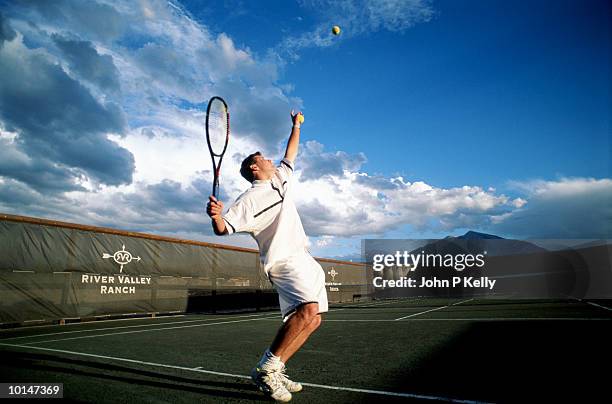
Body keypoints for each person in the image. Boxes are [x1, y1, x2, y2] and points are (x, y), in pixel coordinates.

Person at [206, 110, 328, 402]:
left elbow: (291, 154)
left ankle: (277, 367)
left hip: (304, 258)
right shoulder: (247, 200)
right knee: (307, 311)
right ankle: (266, 369)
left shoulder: (281, 179)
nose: (272, 159)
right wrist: (216, 216)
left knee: (314, 320)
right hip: (283, 262)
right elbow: (223, 229)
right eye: (265, 158)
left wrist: (295, 125)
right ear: (254, 167)